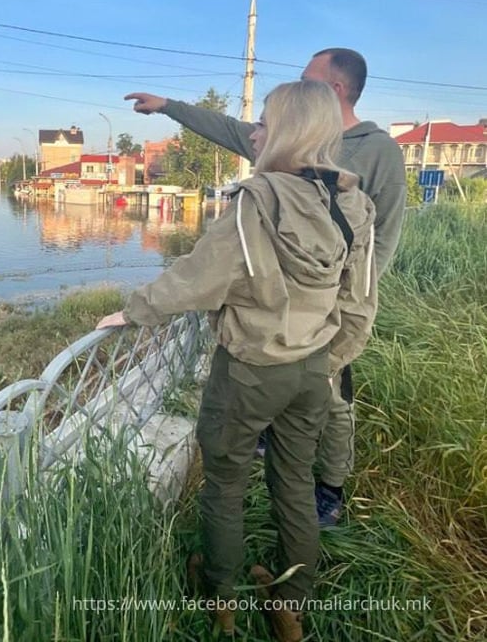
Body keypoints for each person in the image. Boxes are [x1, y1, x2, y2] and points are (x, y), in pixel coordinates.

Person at [97, 80, 378, 640]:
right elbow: (360, 298)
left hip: (250, 367)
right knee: (295, 481)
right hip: (313, 366)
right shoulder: (353, 202)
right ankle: (292, 604)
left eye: (265, 123)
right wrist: (330, 358)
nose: (256, 132)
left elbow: (202, 275)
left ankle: (220, 599)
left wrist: (134, 312)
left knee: (224, 484)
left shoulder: (259, 200)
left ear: (289, 131)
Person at [125, 48, 405, 527]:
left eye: (306, 79)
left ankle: (331, 489)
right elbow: (234, 131)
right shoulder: (289, 139)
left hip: (329, 310)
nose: (296, 85)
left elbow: (381, 240)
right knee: (287, 408)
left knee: (333, 401)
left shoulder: (375, 152)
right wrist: (169, 106)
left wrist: (348, 310)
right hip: (276, 308)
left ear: (333, 90)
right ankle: (293, 553)